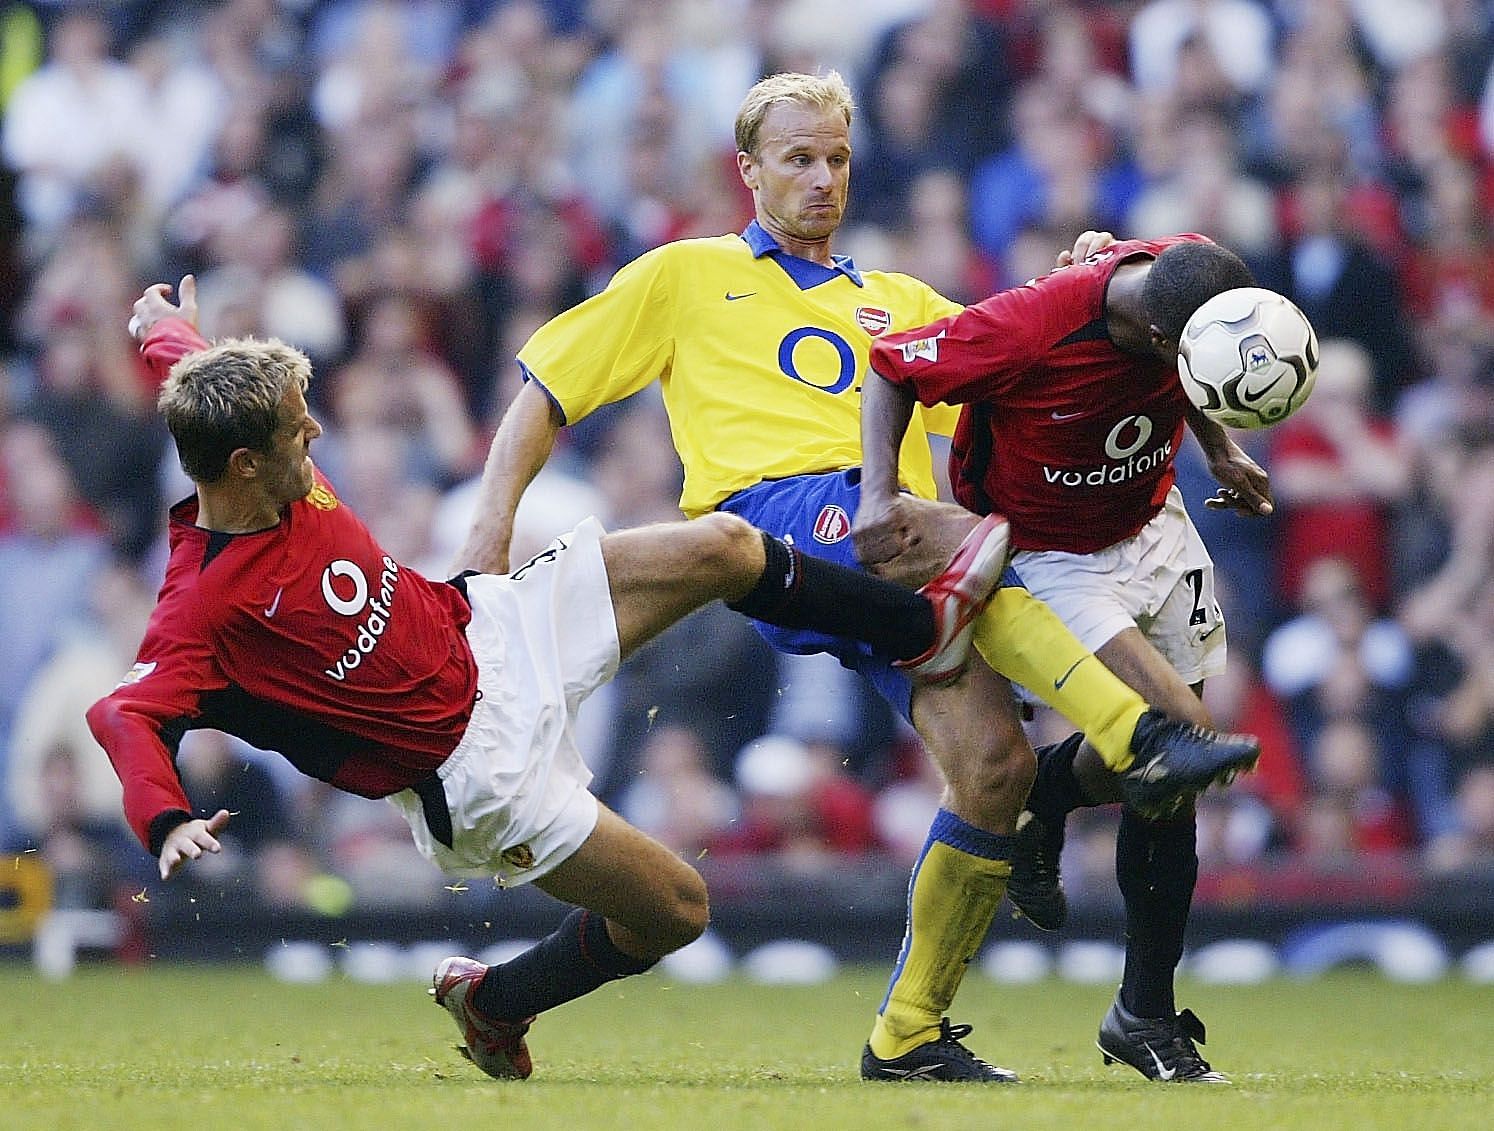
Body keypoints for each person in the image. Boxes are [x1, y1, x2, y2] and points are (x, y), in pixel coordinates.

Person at [453, 71, 1259, 1083]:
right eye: (797, 158)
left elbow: (1022, 361)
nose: (822, 178)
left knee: (996, 769)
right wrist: (491, 526)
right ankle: (1139, 729)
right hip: (780, 520)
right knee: (950, 533)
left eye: (836, 158)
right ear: (747, 172)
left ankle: (904, 1034)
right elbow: (546, 392)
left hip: (905, 569)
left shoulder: (903, 301)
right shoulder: (685, 275)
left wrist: (1083, 287)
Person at [87, 275, 1010, 1082]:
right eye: (300, 430)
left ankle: (921, 626)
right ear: (244, 464)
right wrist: (163, 818)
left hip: (485, 625)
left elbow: (202, 381)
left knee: (726, 546)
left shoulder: (248, 444)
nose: (316, 433)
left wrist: (165, 330)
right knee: (678, 910)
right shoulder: (202, 606)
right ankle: (500, 1000)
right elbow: (124, 714)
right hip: (471, 772)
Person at [857, 233, 1276, 1083]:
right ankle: (1055, 832)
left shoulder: (1182, 267)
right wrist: (876, 495)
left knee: (1170, 781)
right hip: (1049, 557)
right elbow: (892, 366)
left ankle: (1139, 1004)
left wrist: (1220, 447)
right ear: (1160, 338)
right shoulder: (1031, 324)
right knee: (1177, 735)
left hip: (1153, 529)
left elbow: (1204, 361)